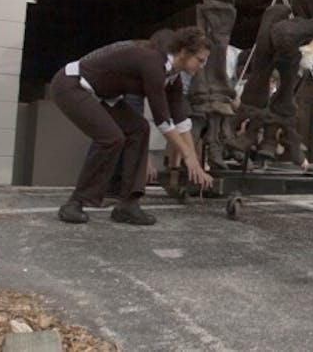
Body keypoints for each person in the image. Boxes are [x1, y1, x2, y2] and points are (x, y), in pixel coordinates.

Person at [53, 26, 214, 225]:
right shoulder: (153, 63)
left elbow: (181, 122)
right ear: (183, 52)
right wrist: (187, 156)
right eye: (200, 60)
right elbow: (163, 120)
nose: (202, 65)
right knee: (111, 138)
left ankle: (128, 205)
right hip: (73, 85)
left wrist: (194, 163)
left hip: (104, 96)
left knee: (139, 129)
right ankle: (75, 203)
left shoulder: (173, 78)